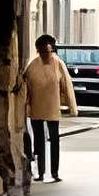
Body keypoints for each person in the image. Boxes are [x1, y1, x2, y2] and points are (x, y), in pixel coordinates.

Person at [23, 32, 78, 182]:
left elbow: (67, 84)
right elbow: (24, 87)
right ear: (38, 51)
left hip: (53, 107)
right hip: (36, 108)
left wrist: (72, 107)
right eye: (42, 51)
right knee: (39, 141)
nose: (46, 54)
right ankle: (41, 173)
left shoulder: (58, 63)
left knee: (54, 139)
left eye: (48, 51)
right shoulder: (32, 66)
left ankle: (54, 172)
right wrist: (24, 106)